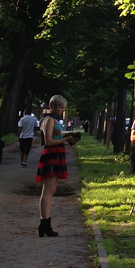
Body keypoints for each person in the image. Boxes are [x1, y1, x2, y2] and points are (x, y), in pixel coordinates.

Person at [35, 95, 79, 237]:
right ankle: (44, 223)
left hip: (57, 154)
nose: (62, 110)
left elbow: (57, 137)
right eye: (60, 107)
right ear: (53, 106)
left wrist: (69, 137)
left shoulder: (54, 120)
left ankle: (45, 223)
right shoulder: (49, 120)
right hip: (51, 155)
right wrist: (66, 139)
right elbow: (48, 141)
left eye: (63, 108)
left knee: (51, 190)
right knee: (47, 190)